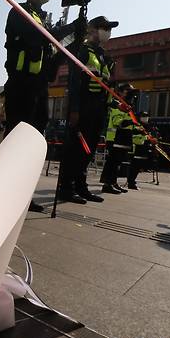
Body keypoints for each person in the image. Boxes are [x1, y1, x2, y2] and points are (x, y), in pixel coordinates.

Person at [4, 0, 81, 212]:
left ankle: (24, 195)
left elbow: (54, 54)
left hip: (39, 87)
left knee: (33, 144)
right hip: (21, 86)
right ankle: (5, 193)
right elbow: (38, 36)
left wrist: (76, 37)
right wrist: (67, 29)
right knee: (16, 141)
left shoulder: (44, 19)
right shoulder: (19, 12)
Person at [58, 16, 120, 204]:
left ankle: (80, 186)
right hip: (83, 106)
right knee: (75, 149)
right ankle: (66, 188)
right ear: (92, 29)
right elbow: (74, 82)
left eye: (109, 28)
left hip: (99, 108)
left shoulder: (103, 55)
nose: (107, 32)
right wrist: (74, 110)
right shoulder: (82, 50)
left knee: (88, 151)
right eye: (104, 28)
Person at [100, 83, 135, 194]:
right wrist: (131, 121)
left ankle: (113, 183)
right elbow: (117, 122)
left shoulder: (128, 105)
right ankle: (107, 184)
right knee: (113, 163)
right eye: (127, 90)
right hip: (116, 138)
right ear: (120, 92)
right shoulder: (119, 104)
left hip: (124, 138)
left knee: (118, 163)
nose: (130, 93)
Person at [127, 112, 153, 190]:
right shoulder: (137, 125)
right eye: (143, 116)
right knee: (134, 167)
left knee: (137, 167)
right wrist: (146, 138)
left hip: (143, 150)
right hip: (136, 150)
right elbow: (135, 138)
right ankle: (131, 183)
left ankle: (132, 182)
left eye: (146, 116)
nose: (145, 118)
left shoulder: (147, 126)